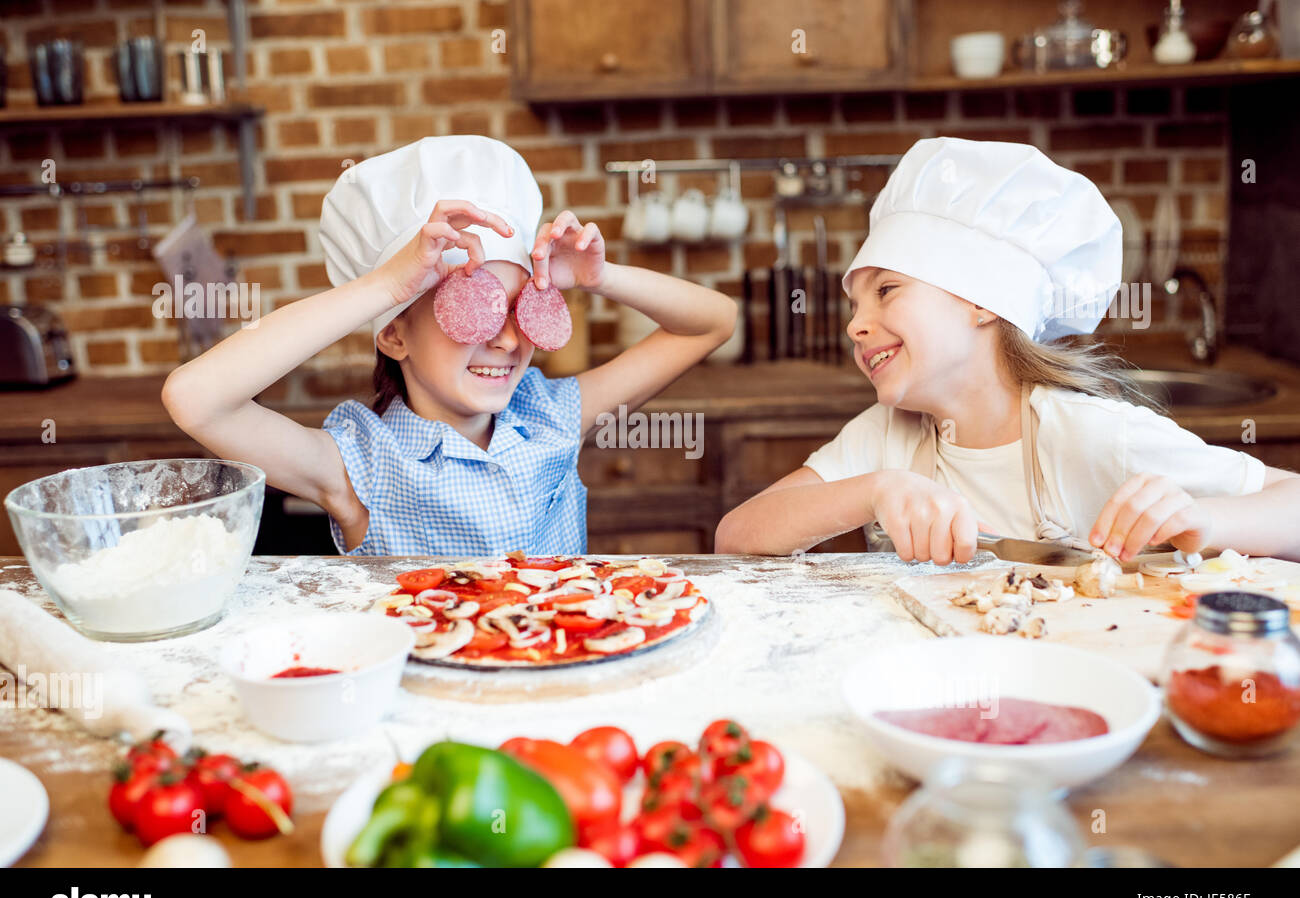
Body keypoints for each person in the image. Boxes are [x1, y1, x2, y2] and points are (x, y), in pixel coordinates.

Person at [715, 137, 1300, 565]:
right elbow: (736, 535)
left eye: (887, 291)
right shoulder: (885, 436)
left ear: (984, 301)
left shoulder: (1088, 433)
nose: (856, 327)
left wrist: (1204, 518)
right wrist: (874, 489)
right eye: (853, 307)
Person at [163, 135, 736, 555]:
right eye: (472, 307)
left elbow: (713, 321)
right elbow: (196, 398)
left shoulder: (552, 415)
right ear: (393, 334)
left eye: (518, 307)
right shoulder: (356, 464)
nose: (510, 337)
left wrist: (597, 278)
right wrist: (385, 286)